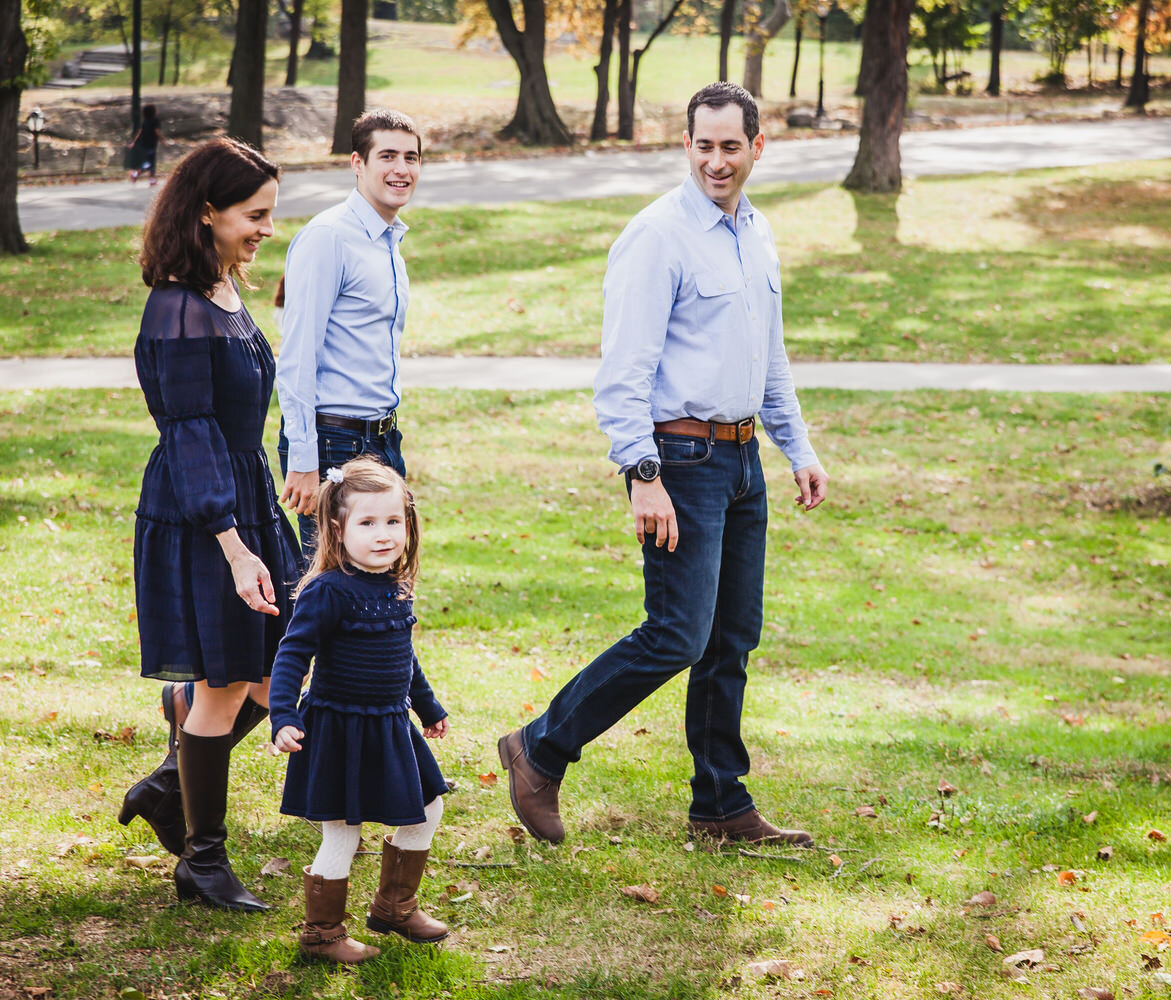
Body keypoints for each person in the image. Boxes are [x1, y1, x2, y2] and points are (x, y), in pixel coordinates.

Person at [498, 82, 830, 848]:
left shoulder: (758, 233)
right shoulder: (657, 236)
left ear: (757, 146)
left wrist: (798, 448)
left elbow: (767, 357)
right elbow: (624, 372)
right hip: (679, 458)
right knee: (679, 633)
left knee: (731, 637)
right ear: (686, 146)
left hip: (743, 460)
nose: (717, 160)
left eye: (731, 145)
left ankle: (720, 804)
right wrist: (643, 475)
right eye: (703, 145)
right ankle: (540, 748)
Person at [117, 137, 300, 912]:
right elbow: (188, 433)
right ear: (206, 213)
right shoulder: (178, 310)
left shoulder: (222, 288)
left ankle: (169, 784)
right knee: (226, 684)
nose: (265, 228)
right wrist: (232, 546)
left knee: (278, 665)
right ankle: (203, 861)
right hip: (205, 513)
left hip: (244, 492)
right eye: (253, 215)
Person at [269, 457, 450, 964]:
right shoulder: (329, 590)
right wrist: (283, 715)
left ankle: (395, 906)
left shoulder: (395, 584)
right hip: (340, 728)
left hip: (391, 725)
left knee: (429, 807)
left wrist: (427, 705)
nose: (383, 534)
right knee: (343, 833)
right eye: (367, 523)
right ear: (337, 528)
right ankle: (322, 934)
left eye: (393, 521)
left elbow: (401, 655)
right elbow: (292, 655)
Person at [276, 108, 423, 557]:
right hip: (334, 442)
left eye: (412, 158)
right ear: (357, 163)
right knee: (333, 591)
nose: (402, 169)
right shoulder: (329, 237)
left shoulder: (387, 241)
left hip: (382, 437)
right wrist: (304, 460)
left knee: (381, 582)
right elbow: (298, 355)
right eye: (388, 156)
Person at [128, 104, 162, 185]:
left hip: (144, 145)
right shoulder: (155, 120)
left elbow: (140, 133)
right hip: (151, 145)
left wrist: (134, 142)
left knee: (148, 163)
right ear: (154, 112)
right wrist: (163, 140)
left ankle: (137, 174)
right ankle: (151, 179)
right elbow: (157, 132)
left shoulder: (145, 121)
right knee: (151, 163)